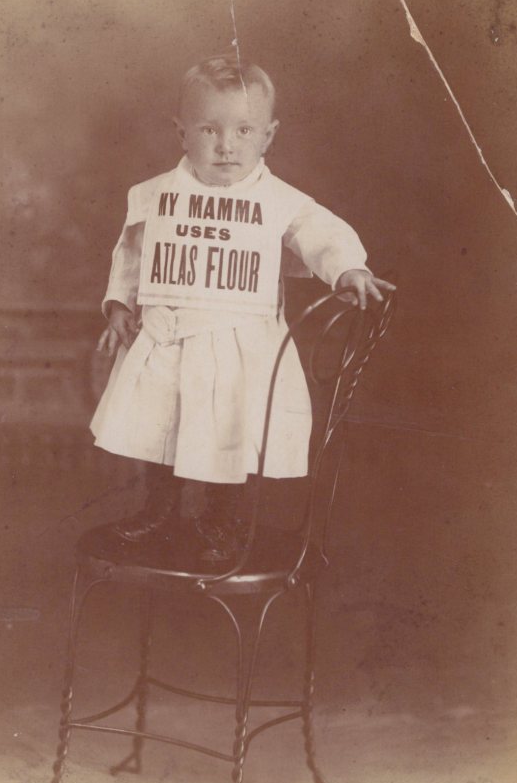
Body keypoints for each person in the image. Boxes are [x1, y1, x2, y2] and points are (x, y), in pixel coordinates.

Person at [91, 53, 394, 562]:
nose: (226, 145)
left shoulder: (279, 200)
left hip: (239, 342)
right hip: (167, 337)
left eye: (244, 130)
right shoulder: (154, 196)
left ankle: (221, 518)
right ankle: (159, 508)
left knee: (231, 429)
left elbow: (319, 233)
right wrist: (119, 304)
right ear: (182, 132)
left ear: (268, 136)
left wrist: (348, 269)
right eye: (209, 129)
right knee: (162, 425)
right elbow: (132, 254)